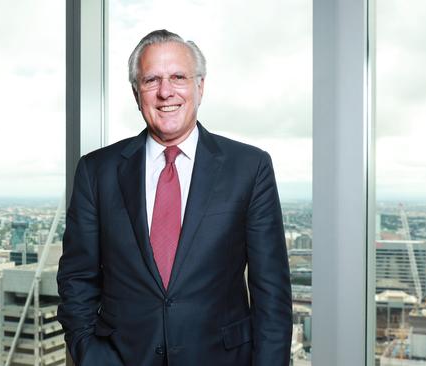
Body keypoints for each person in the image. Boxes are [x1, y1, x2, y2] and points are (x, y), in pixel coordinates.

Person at [57, 29, 292, 366]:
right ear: (137, 93)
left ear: (200, 86)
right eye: (152, 80)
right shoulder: (97, 171)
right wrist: (93, 358)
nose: (165, 92)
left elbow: (272, 296)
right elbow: (76, 280)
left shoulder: (249, 167)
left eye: (178, 77)